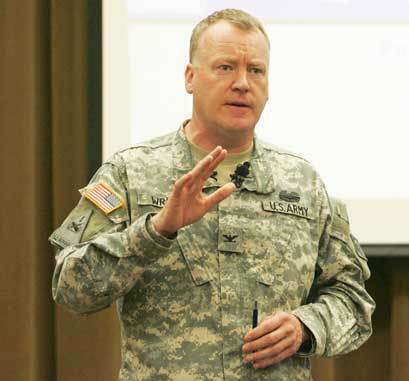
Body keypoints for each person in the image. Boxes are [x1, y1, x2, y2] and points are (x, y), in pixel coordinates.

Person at [50, 8, 375, 381]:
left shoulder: (302, 182)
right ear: (190, 77)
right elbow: (71, 288)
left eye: (256, 70)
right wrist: (155, 231)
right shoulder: (130, 173)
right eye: (225, 67)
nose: (242, 83)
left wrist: (305, 328)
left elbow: (353, 301)